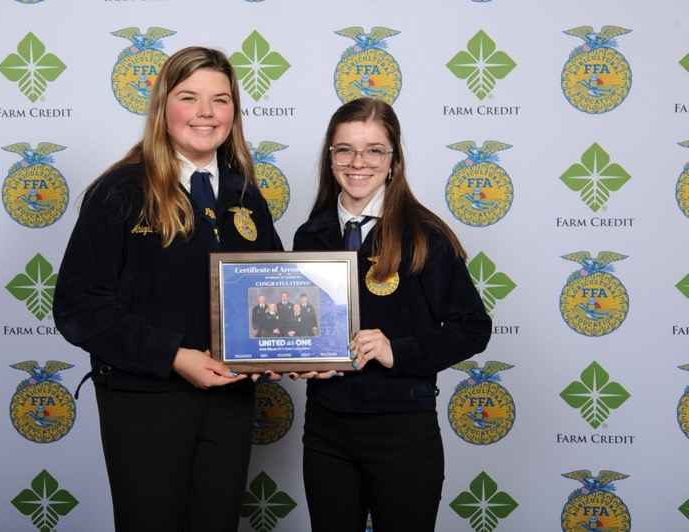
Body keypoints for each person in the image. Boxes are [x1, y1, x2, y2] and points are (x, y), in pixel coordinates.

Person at [52, 46, 283, 532]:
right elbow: (80, 307)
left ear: (234, 112)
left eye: (220, 100)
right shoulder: (119, 192)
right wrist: (173, 355)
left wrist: (287, 349)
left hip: (230, 400)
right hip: (145, 400)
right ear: (163, 107)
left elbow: (272, 290)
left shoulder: (245, 196)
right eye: (189, 97)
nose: (206, 113)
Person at [292, 98, 491, 532]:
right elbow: (307, 323)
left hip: (401, 428)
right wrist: (297, 354)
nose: (358, 162)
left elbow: (472, 328)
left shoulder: (424, 234)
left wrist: (395, 351)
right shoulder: (310, 234)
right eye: (345, 150)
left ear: (393, 160)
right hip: (325, 429)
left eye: (373, 150)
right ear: (330, 158)